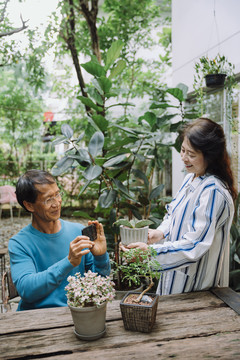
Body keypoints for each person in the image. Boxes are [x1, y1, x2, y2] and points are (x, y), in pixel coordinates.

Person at [121, 118, 237, 295]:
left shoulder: (213, 191)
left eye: (191, 154)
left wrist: (149, 253)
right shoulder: (191, 177)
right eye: (183, 150)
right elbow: (173, 215)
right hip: (174, 279)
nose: (184, 158)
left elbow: (194, 244)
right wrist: (160, 233)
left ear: (210, 156)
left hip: (196, 289)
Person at [8, 170, 110, 311]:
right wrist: (68, 263)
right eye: (49, 199)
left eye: (57, 194)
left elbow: (99, 284)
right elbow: (27, 290)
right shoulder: (19, 243)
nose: (57, 203)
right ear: (29, 205)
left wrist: (101, 256)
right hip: (34, 319)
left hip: (76, 314)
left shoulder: (78, 232)